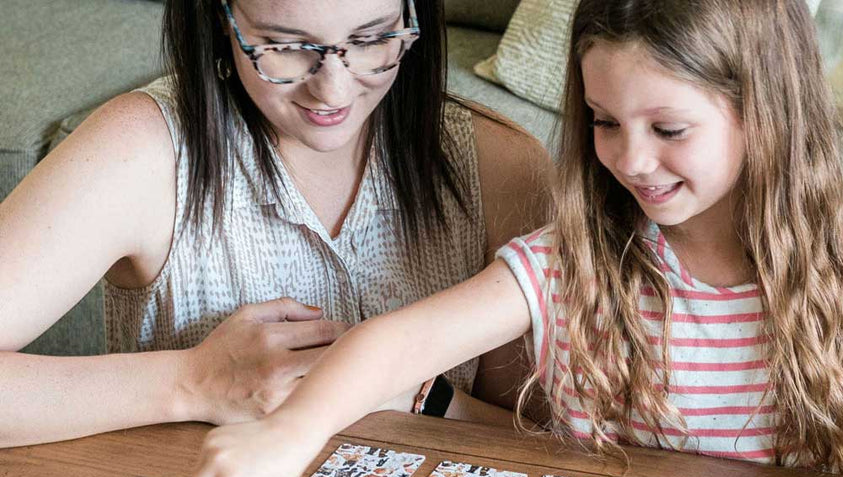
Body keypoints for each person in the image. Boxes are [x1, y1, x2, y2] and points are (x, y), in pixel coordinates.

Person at [157, 0, 843, 477]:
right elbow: (400, 343)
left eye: (669, 128)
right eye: (603, 122)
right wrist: (291, 433)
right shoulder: (572, 256)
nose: (631, 159)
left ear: (767, 111)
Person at [0, 0, 550, 448]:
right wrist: (193, 382)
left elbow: (542, 442)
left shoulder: (498, 164)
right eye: (285, 46)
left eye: (372, 38)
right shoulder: (141, 149)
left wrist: (416, 397)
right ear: (222, 18)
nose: (333, 91)